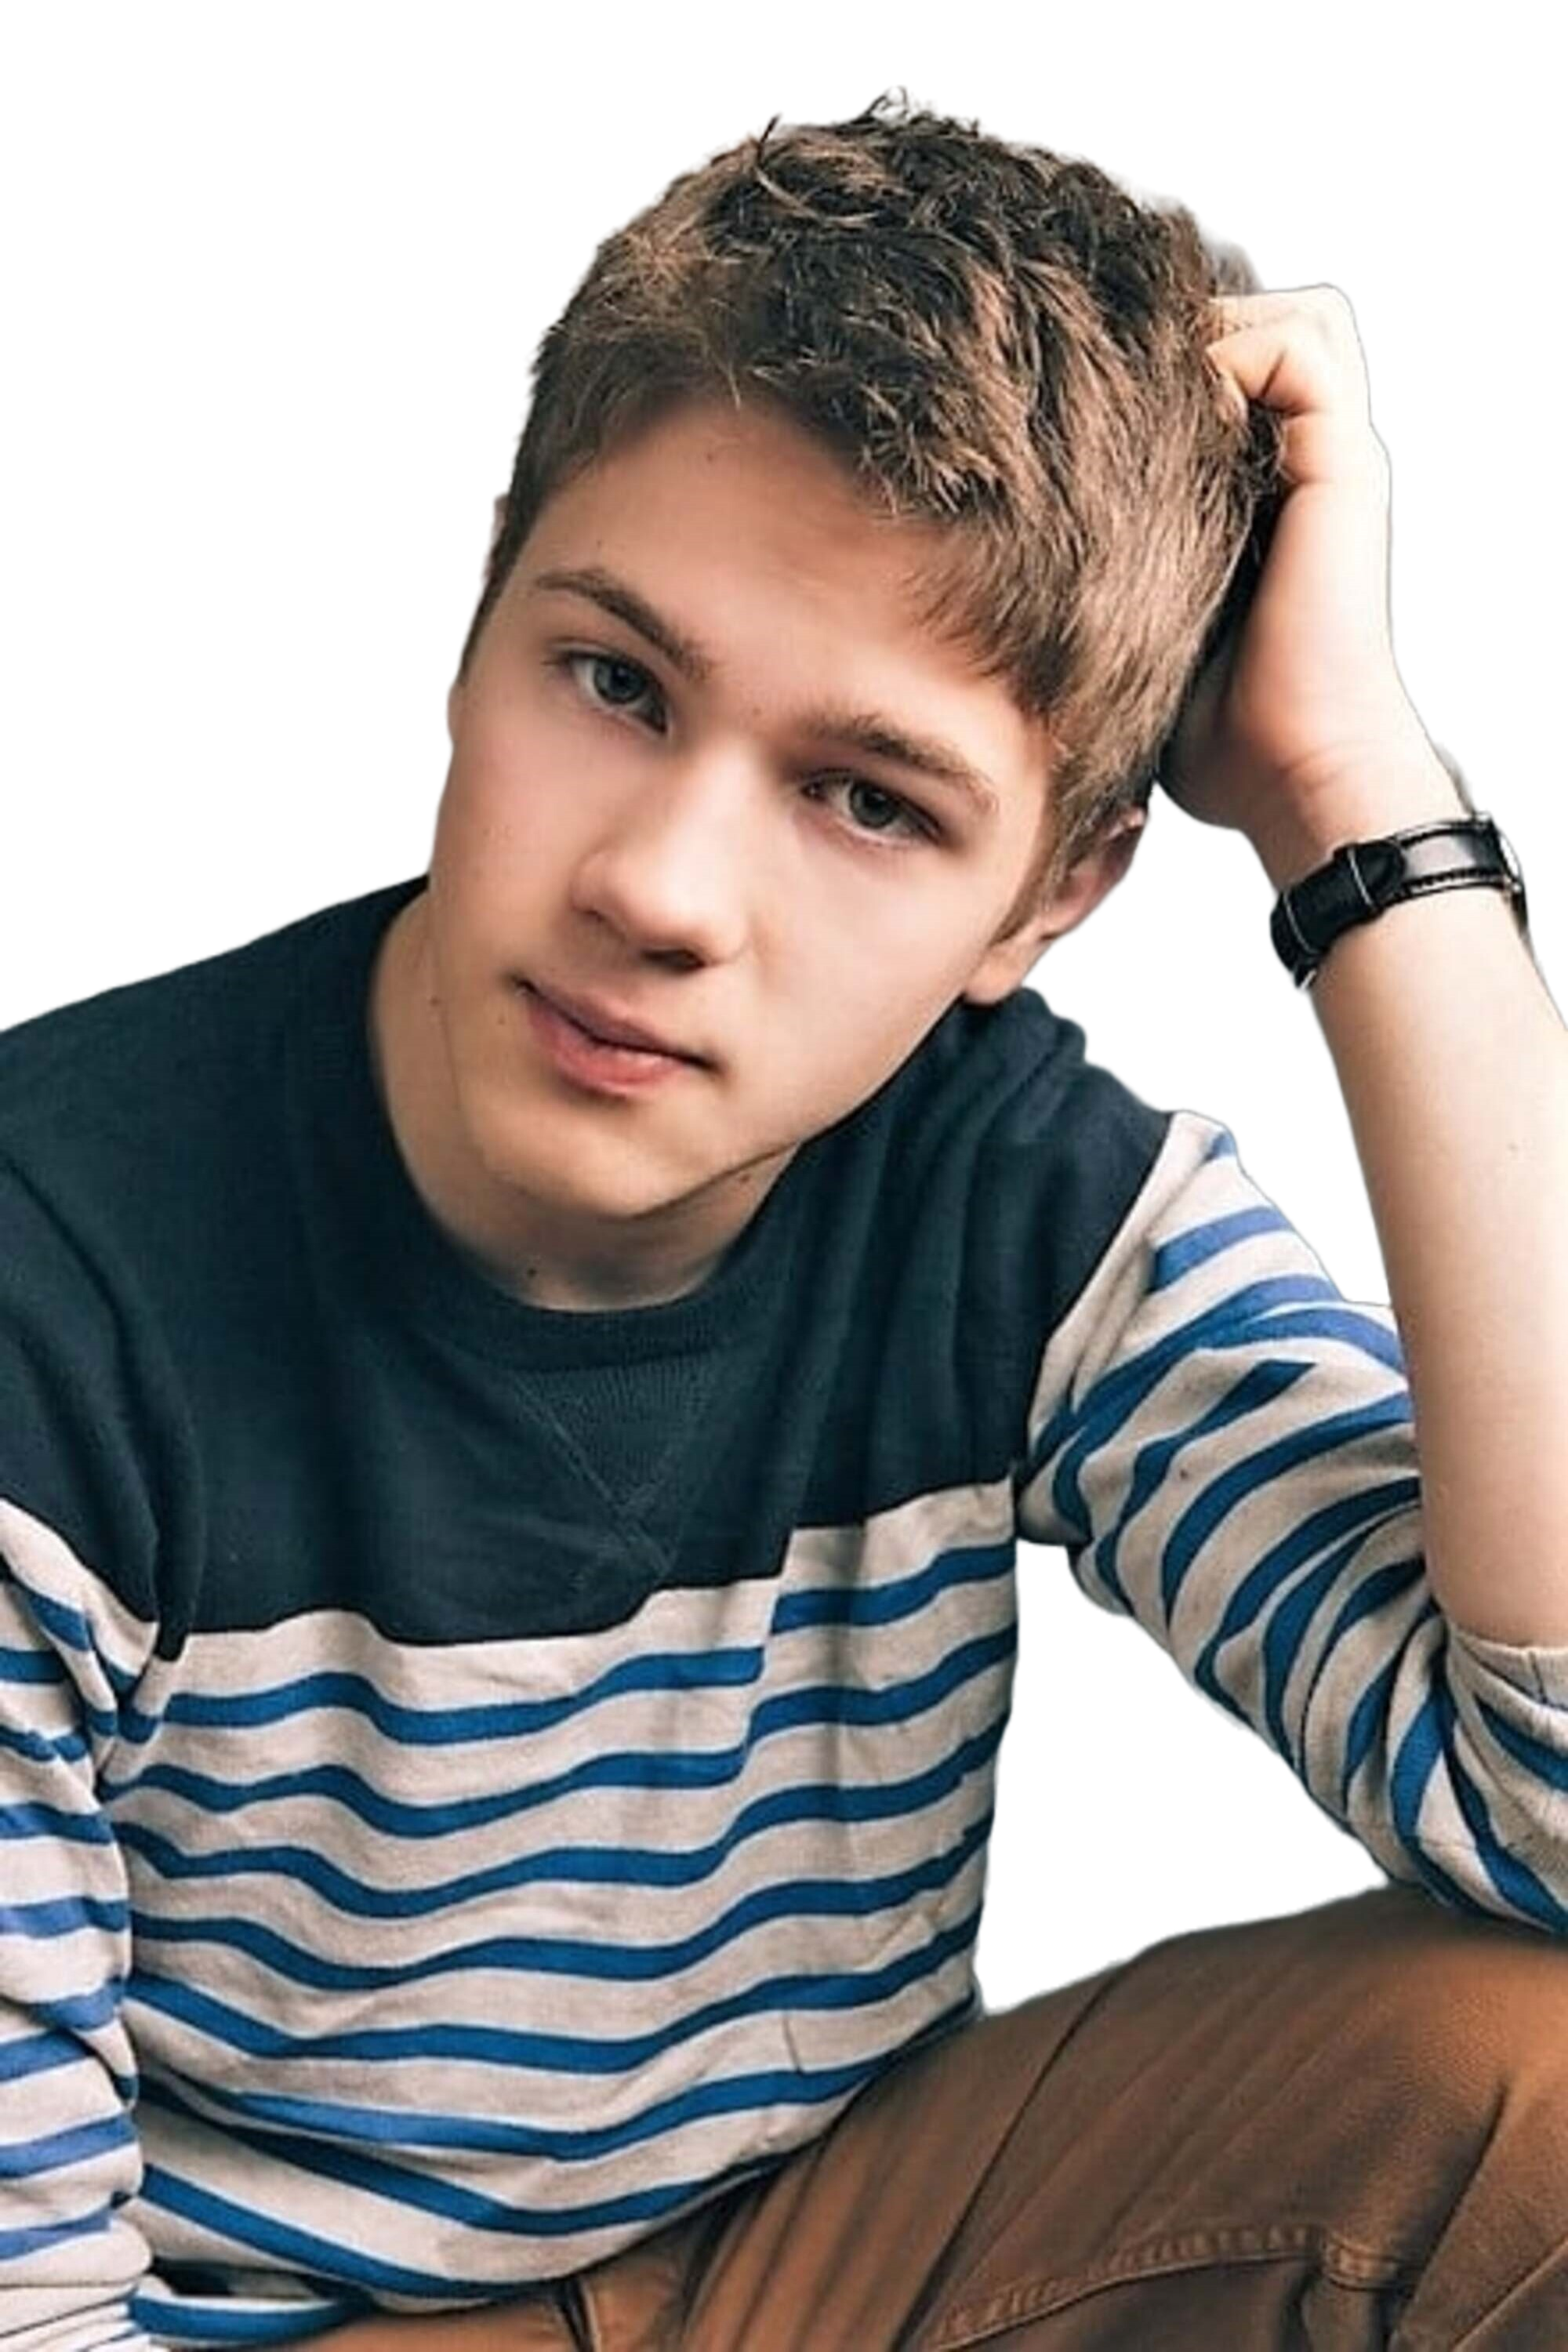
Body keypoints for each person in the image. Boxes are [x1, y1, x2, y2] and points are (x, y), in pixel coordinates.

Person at [3, 89, 1563, 2352]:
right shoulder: (47, 1288)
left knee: (1537, 2077)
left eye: (869, 799)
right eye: (613, 682)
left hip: (836, 2259)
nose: (659, 889)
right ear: (473, 613)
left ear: (1056, 896)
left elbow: (1550, 1799)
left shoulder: (1013, 1196)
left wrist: (1358, 796)